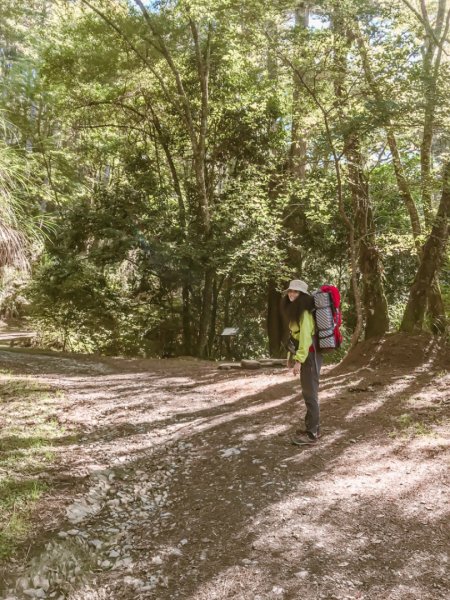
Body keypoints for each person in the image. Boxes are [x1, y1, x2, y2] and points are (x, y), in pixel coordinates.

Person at [280, 279, 322, 445]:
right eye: (290, 291)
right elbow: (295, 338)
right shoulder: (296, 310)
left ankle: (311, 435)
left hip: (310, 357)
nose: (292, 294)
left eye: (296, 292)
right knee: (309, 392)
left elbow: (305, 339)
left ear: (303, 295)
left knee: (310, 393)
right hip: (307, 356)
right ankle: (313, 428)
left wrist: (299, 360)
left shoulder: (304, 313)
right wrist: (291, 357)